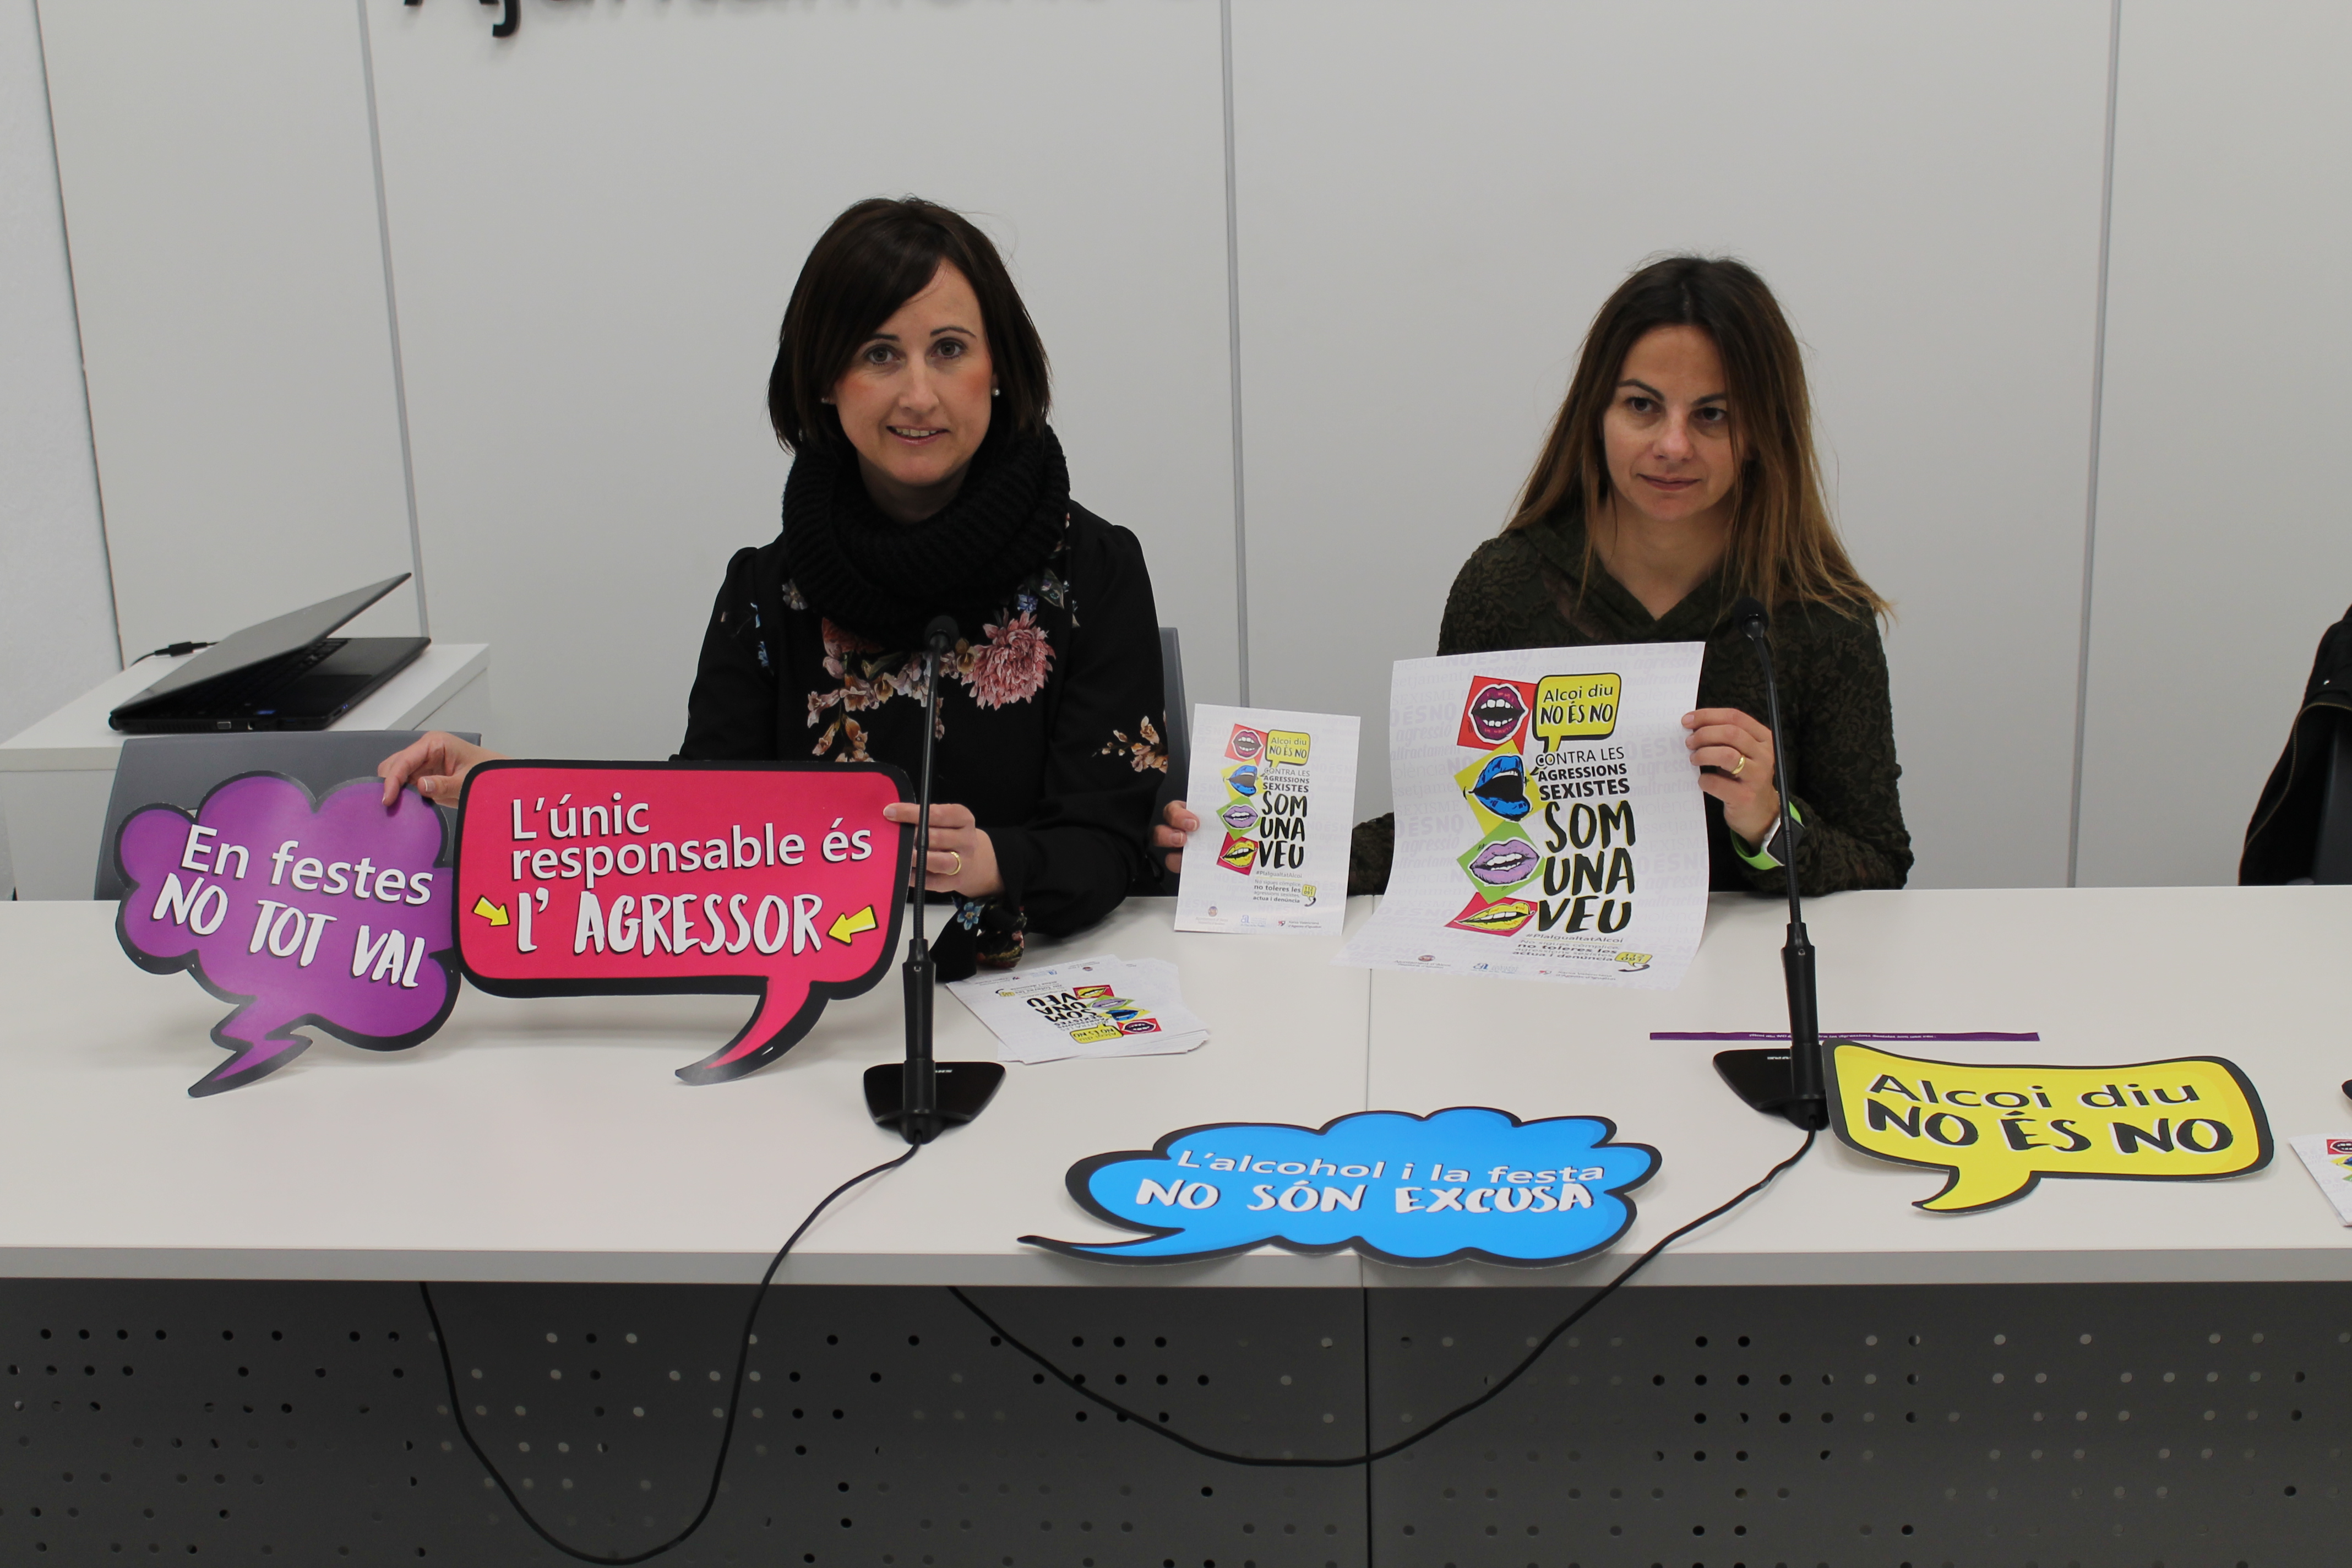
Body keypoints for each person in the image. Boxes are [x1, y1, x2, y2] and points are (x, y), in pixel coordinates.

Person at [380, 197, 1170, 978]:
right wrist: (505, 790)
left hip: (1038, 981)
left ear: (999, 368)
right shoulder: (767, 592)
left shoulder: (1094, 570)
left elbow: (1108, 843)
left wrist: (988, 861)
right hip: (821, 997)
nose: (919, 395)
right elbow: (695, 828)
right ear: (825, 380)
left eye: (950, 349)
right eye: (879, 355)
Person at [1156, 254, 1910, 895]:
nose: (1674, 445)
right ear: (1597, 413)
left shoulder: (1819, 617)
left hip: (1741, 991)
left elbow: (1879, 864)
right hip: (1536, 981)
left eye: (1712, 415)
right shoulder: (1506, 587)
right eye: (1643, 406)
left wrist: (1769, 822)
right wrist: (1255, 855)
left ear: (1763, 431)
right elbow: (1451, 826)